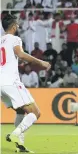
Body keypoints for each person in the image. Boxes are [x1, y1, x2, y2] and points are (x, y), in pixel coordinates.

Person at [0, 14, 51, 153]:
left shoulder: (0, 41)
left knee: (21, 111)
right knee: (35, 112)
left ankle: (20, 146)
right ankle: (15, 134)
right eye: (16, 24)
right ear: (14, 26)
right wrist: (41, 62)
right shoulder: (15, 39)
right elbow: (20, 54)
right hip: (11, 81)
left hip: (1, 84)